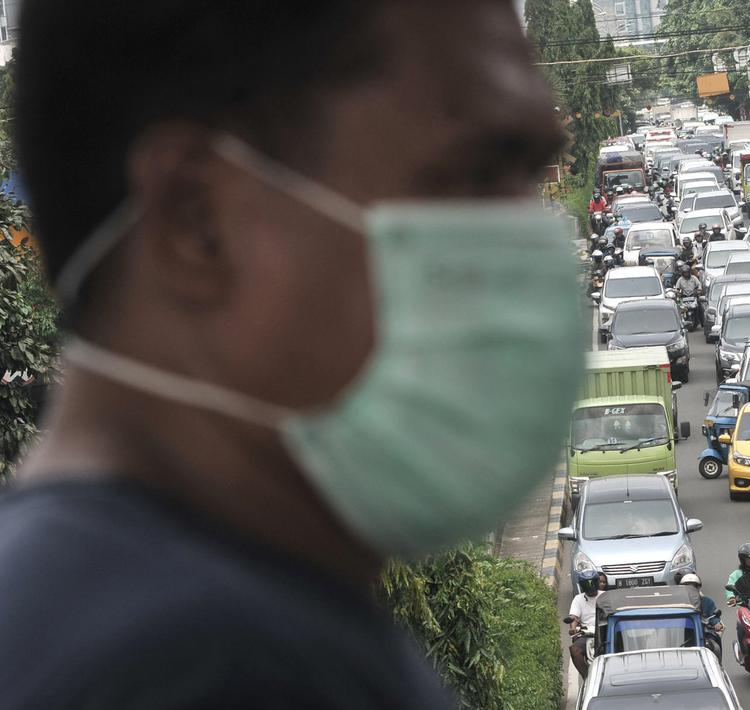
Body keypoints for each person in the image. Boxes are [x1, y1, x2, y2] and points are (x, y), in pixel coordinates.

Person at [0, 1, 591, 707]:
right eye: (476, 174)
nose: (530, 242)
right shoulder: (204, 667)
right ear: (197, 221)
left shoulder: (108, 608)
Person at [567, 569, 604, 677]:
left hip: (604, 631)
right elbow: (573, 616)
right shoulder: (578, 599)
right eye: (586, 584)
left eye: (592, 583)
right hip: (586, 633)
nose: (590, 587)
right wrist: (573, 628)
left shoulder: (605, 596)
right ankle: (586, 677)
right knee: (574, 650)